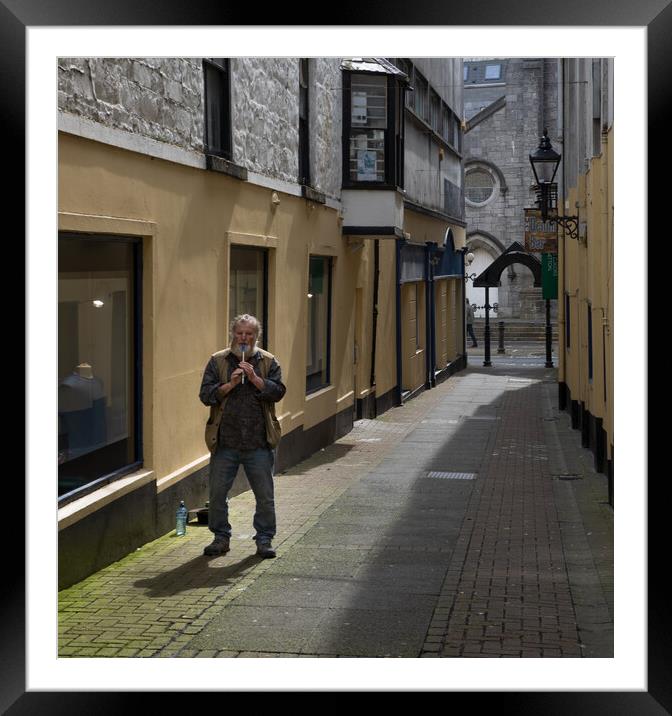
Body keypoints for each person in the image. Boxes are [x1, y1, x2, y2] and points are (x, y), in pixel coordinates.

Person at [199, 314, 286, 559]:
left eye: (249, 334)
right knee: (217, 494)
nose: (244, 338)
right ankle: (220, 537)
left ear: (256, 336)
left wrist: (257, 380)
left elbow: (278, 392)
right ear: (233, 335)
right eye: (240, 333)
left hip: (258, 442)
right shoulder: (218, 361)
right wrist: (230, 384)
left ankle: (264, 539)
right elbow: (205, 395)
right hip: (225, 442)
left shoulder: (268, 361)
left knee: (265, 495)